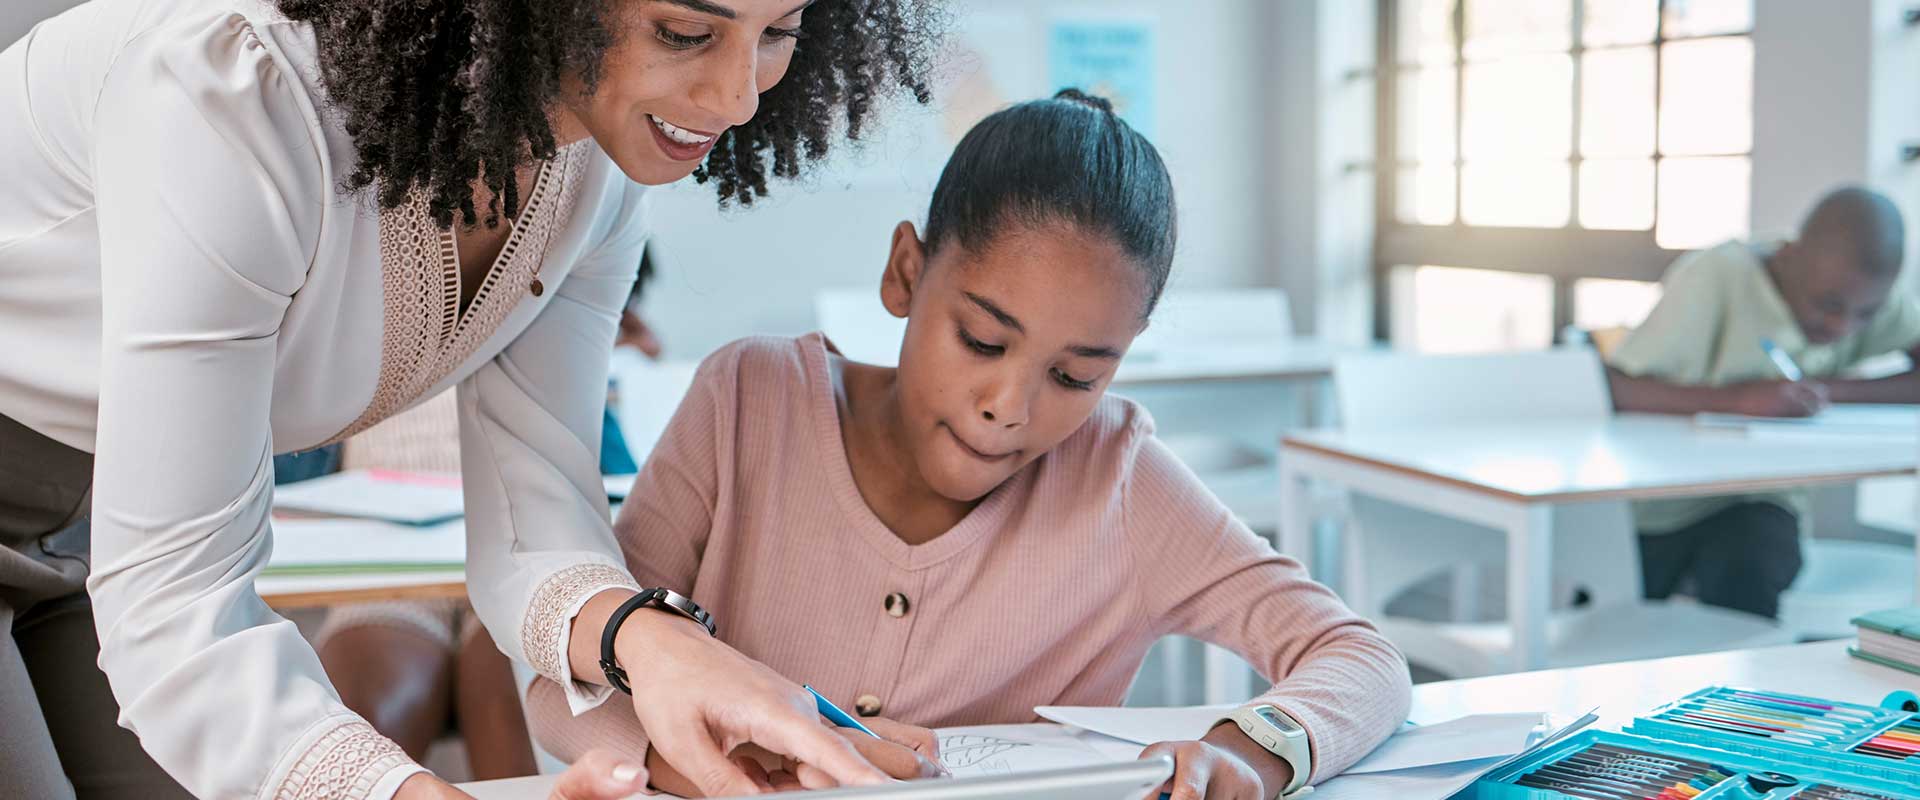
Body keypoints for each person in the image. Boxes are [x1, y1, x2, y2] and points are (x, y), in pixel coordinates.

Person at [0, 0, 944, 797]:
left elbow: (536, 521)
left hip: (103, 539)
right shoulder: (234, 96)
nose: (738, 97)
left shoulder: (598, 177)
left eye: (779, 31)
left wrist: (664, 647)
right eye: (686, 33)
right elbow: (176, 607)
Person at [528, 91, 1413, 800]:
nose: (1008, 408)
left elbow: (1360, 658)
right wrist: (706, 768)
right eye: (983, 342)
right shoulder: (748, 402)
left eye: (1075, 376)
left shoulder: (1119, 479)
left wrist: (1251, 753)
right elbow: (568, 679)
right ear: (906, 273)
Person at [1606, 186, 1920, 619]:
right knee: (1624, 617)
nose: (1843, 326)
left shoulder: (1858, 288)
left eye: (1866, 314)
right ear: (1789, 257)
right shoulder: (1717, 276)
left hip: (1758, 504)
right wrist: (1739, 399)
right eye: (1827, 305)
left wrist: (1825, 389)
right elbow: (1615, 387)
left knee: (1751, 563)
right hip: (1655, 508)